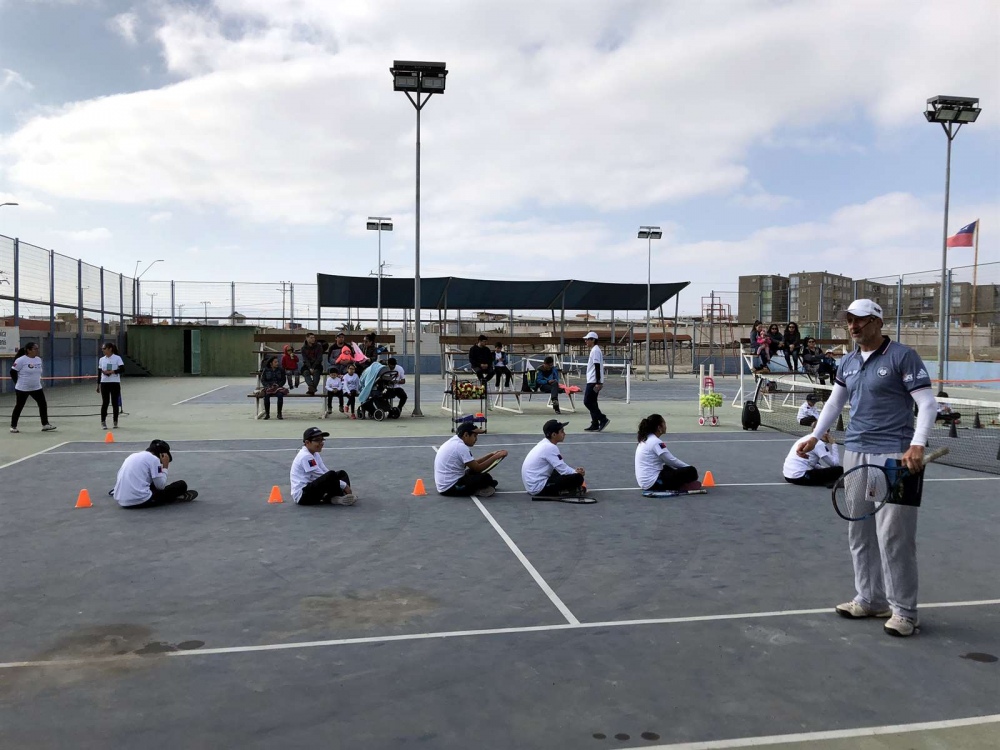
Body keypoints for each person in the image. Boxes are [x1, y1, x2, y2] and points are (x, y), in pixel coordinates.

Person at [796, 299, 936, 638]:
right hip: (855, 453)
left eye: (859, 320)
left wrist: (917, 443)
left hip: (895, 457)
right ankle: (870, 599)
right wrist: (815, 436)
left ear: (877, 322)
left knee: (894, 537)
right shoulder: (847, 361)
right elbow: (835, 402)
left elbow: (927, 402)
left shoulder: (902, 356)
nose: (853, 326)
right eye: (849, 320)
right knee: (859, 530)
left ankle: (904, 612)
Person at [113, 439, 198, 507]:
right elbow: (160, 486)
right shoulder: (154, 460)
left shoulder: (132, 456)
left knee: (151, 483)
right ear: (161, 455)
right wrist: (165, 466)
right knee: (181, 485)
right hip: (140, 500)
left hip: (121, 500)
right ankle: (172, 497)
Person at [434, 423, 508, 498]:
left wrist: (491, 455)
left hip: (445, 484)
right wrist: (497, 456)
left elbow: (474, 464)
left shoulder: (454, 442)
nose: (476, 439)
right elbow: (477, 468)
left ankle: (481, 487)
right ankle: (477, 490)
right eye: (474, 436)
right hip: (449, 488)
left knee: (479, 475)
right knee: (485, 478)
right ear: (466, 435)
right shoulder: (461, 447)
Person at [521, 419, 588, 501]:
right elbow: (563, 469)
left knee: (560, 473)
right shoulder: (550, 447)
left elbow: (560, 468)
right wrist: (577, 473)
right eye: (562, 431)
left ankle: (565, 488)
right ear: (554, 435)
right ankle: (564, 492)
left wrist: (574, 472)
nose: (564, 434)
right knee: (578, 478)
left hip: (532, 485)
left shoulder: (544, 444)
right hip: (538, 488)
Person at [634, 414, 701, 493]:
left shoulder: (646, 439)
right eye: (664, 423)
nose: (666, 426)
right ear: (659, 428)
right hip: (653, 483)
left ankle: (680, 483)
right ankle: (682, 485)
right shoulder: (655, 442)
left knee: (666, 468)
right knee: (691, 471)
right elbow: (671, 460)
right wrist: (688, 467)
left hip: (644, 482)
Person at [290, 427, 357, 505]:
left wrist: (338, 481)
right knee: (331, 475)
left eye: (322, 440)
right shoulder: (305, 456)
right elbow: (319, 475)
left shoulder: (315, 453)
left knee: (341, 474)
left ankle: (336, 497)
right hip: (303, 496)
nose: (321, 443)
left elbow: (324, 471)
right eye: (317, 440)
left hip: (312, 488)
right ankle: (339, 497)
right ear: (307, 442)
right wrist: (344, 486)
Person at [10, 342, 56, 434]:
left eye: (37, 348)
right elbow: (12, 372)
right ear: (29, 350)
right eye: (35, 349)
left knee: (42, 404)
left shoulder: (38, 359)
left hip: (36, 387)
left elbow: (37, 372)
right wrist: (17, 383)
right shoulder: (21, 360)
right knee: (19, 406)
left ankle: (45, 424)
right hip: (23, 388)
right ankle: (13, 426)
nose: (37, 350)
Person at [582, 332, 609, 431]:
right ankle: (595, 423)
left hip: (593, 380)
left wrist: (598, 382)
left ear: (593, 340)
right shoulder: (594, 350)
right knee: (593, 402)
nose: (586, 341)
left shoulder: (595, 351)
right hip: (592, 379)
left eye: (587, 339)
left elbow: (597, 366)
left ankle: (602, 418)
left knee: (587, 402)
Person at [96, 342, 124, 430]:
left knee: (115, 402)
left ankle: (115, 421)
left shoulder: (117, 358)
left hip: (114, 382)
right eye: (102, 349)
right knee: (105, 402)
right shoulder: (101, 359)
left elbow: (122, 369)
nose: (103, 350)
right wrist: (98, 384)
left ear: (110, 349)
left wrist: (113, 371)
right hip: (104, 383)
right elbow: (99, 372)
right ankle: (103, 421)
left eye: (104, 349)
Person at [259, 356, 288, 420]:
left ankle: (279, 413)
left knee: (280, 395)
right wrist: (268, 386)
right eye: (275, 362)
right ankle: (267, 414)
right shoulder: (266, 370)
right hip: (269, 387)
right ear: (271, 363)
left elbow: (283, 380)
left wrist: (278, 385)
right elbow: (263, 380)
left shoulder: (281, 369)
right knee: (266, 396)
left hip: (278, 387)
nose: (277, 363)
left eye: (277, 362)